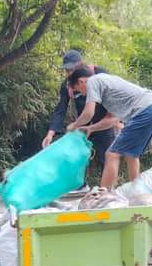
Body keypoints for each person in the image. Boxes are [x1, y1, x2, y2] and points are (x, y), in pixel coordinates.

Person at [66, 67, 152, 187]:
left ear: (82, 81)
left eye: (78, 90)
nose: (82, 94)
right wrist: (90, 129)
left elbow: (88, 113)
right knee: (131, 155)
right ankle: (136, 192)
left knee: (111, 154)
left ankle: (104, 196)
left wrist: (73, 125)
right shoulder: (107, 84)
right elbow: (112, 120)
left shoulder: (93, 81)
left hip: (145, 110)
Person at [42, 50, 116, 180]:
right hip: (83, 122)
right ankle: (79, 186)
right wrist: (51, 133)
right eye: (66, 70)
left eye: (71, 69)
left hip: (103, 121)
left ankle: (107, 190)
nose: (69, 73)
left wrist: (116, 120)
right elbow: (61, 108)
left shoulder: (99, 73)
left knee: (107, 156)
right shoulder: (68, 85)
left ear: (80, 65)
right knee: (78, 155)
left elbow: (113, 95)